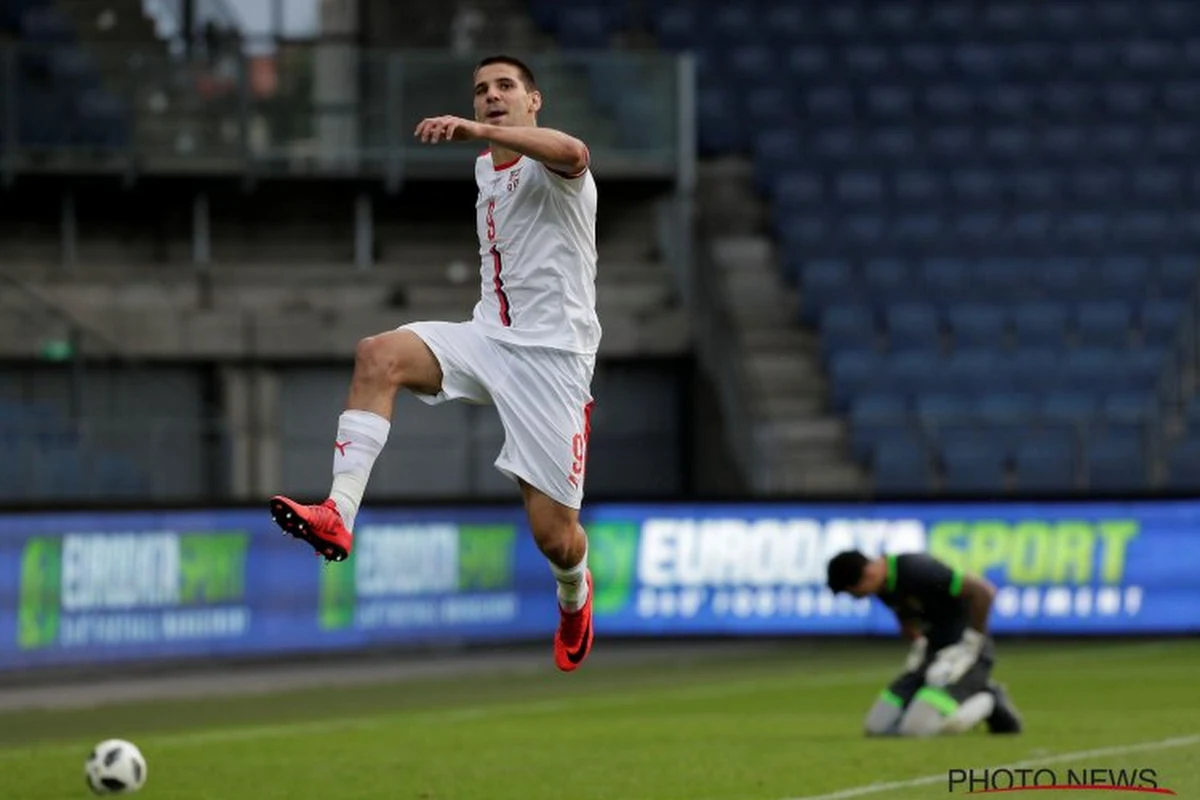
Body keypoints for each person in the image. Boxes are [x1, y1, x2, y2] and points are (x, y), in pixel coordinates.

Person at [269, 55, 599, 673]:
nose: (491, 97)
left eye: (506, 87)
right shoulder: (486, 169)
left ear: (535, 100)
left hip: (554, 361)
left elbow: (574, 149)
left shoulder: (555, 168)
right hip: (487, 337)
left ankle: (575, 593)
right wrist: (485, 143)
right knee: (378, 354)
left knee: (555, 537)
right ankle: (337, 515)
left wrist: (486, 133)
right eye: (481, 91)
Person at [826, 549, 1023, 737]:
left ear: (867, 574)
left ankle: (989, 698)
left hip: (963, 652)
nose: (856, 598)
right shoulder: (883, 586)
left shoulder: (917, 569)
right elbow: (906, 611)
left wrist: (973, 642)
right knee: (876, 728)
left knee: (916, 729)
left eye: (853, 592)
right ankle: (933, 704)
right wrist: (916, 638)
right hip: (932, 654)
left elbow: (983, 592)